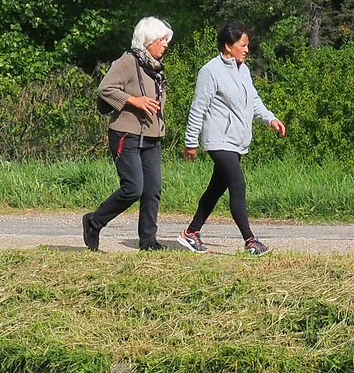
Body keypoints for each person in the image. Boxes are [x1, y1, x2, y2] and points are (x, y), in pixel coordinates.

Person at [176, 20, 286, 256]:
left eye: (247, 45)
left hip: (236, 142)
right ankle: (250, 241)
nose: (247, 50)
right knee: (237, 185)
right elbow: (198, 108)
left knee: (216, 189)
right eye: (243, 45)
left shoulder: (242, 69)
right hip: (218, 140)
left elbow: (254, 101)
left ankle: (191, 233)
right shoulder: (210, 71)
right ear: (228, 45)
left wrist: (271, 119)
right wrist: (190, 142)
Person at [84, 17, 172, 252]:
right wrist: (134, 101)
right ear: (147, 41)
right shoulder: (127, 62)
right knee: (133, 188)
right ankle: (94, 221)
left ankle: (148, 241)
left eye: (166, 39)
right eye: (161, 39)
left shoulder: (156, 68)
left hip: (152, 137)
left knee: (152, 190)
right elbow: (105, 88)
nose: (165, 44)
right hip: (126, 134)